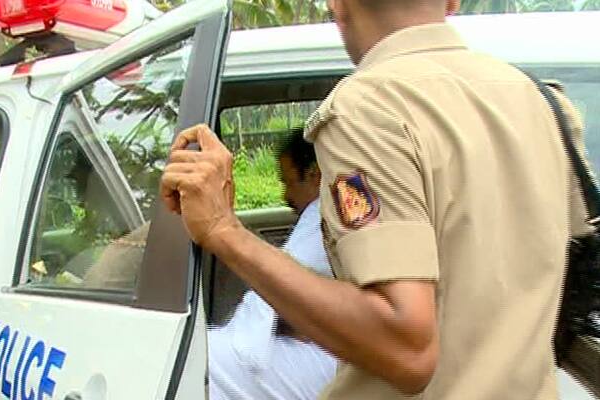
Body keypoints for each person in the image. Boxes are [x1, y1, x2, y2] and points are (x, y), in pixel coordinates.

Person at [160, 0, 591, 399]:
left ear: (336, 4)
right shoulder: (541, 101)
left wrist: (225, 231)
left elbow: (408, 350)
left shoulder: (369, 107)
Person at [209, 130, 336, 400]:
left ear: (315, 176)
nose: (285, 195)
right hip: (330, 349)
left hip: (331, 357)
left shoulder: (325, 211)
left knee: (200, 359)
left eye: (289, 183)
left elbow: (283, 297)